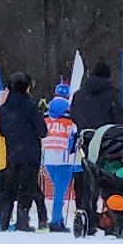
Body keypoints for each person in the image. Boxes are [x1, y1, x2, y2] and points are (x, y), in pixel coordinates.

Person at [69, 61, 123, 224]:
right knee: (110, 179)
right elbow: (120, 120)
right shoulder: (112, 94)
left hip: (86, 142)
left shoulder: (79, 95)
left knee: (87, 180)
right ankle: (112, 213)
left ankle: (87, 214)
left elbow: (74, 116)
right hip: (108, 144)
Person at [0, 72, 47, 232]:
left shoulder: (3, 109)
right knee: (27, 187)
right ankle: (22, 221)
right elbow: (42, 131)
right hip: (30, 154)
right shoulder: (31, 106)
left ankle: (3, 222)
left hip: (12, 153)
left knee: (8, 189)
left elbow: (2, 131)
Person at [42, 85, 77, 232]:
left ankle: (58, 218)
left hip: (47, 156)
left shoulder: (45, 113)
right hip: (64, 157)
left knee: (58, 189)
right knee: (60, 190)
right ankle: (56, 220)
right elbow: (74, 134)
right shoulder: (70, 115)